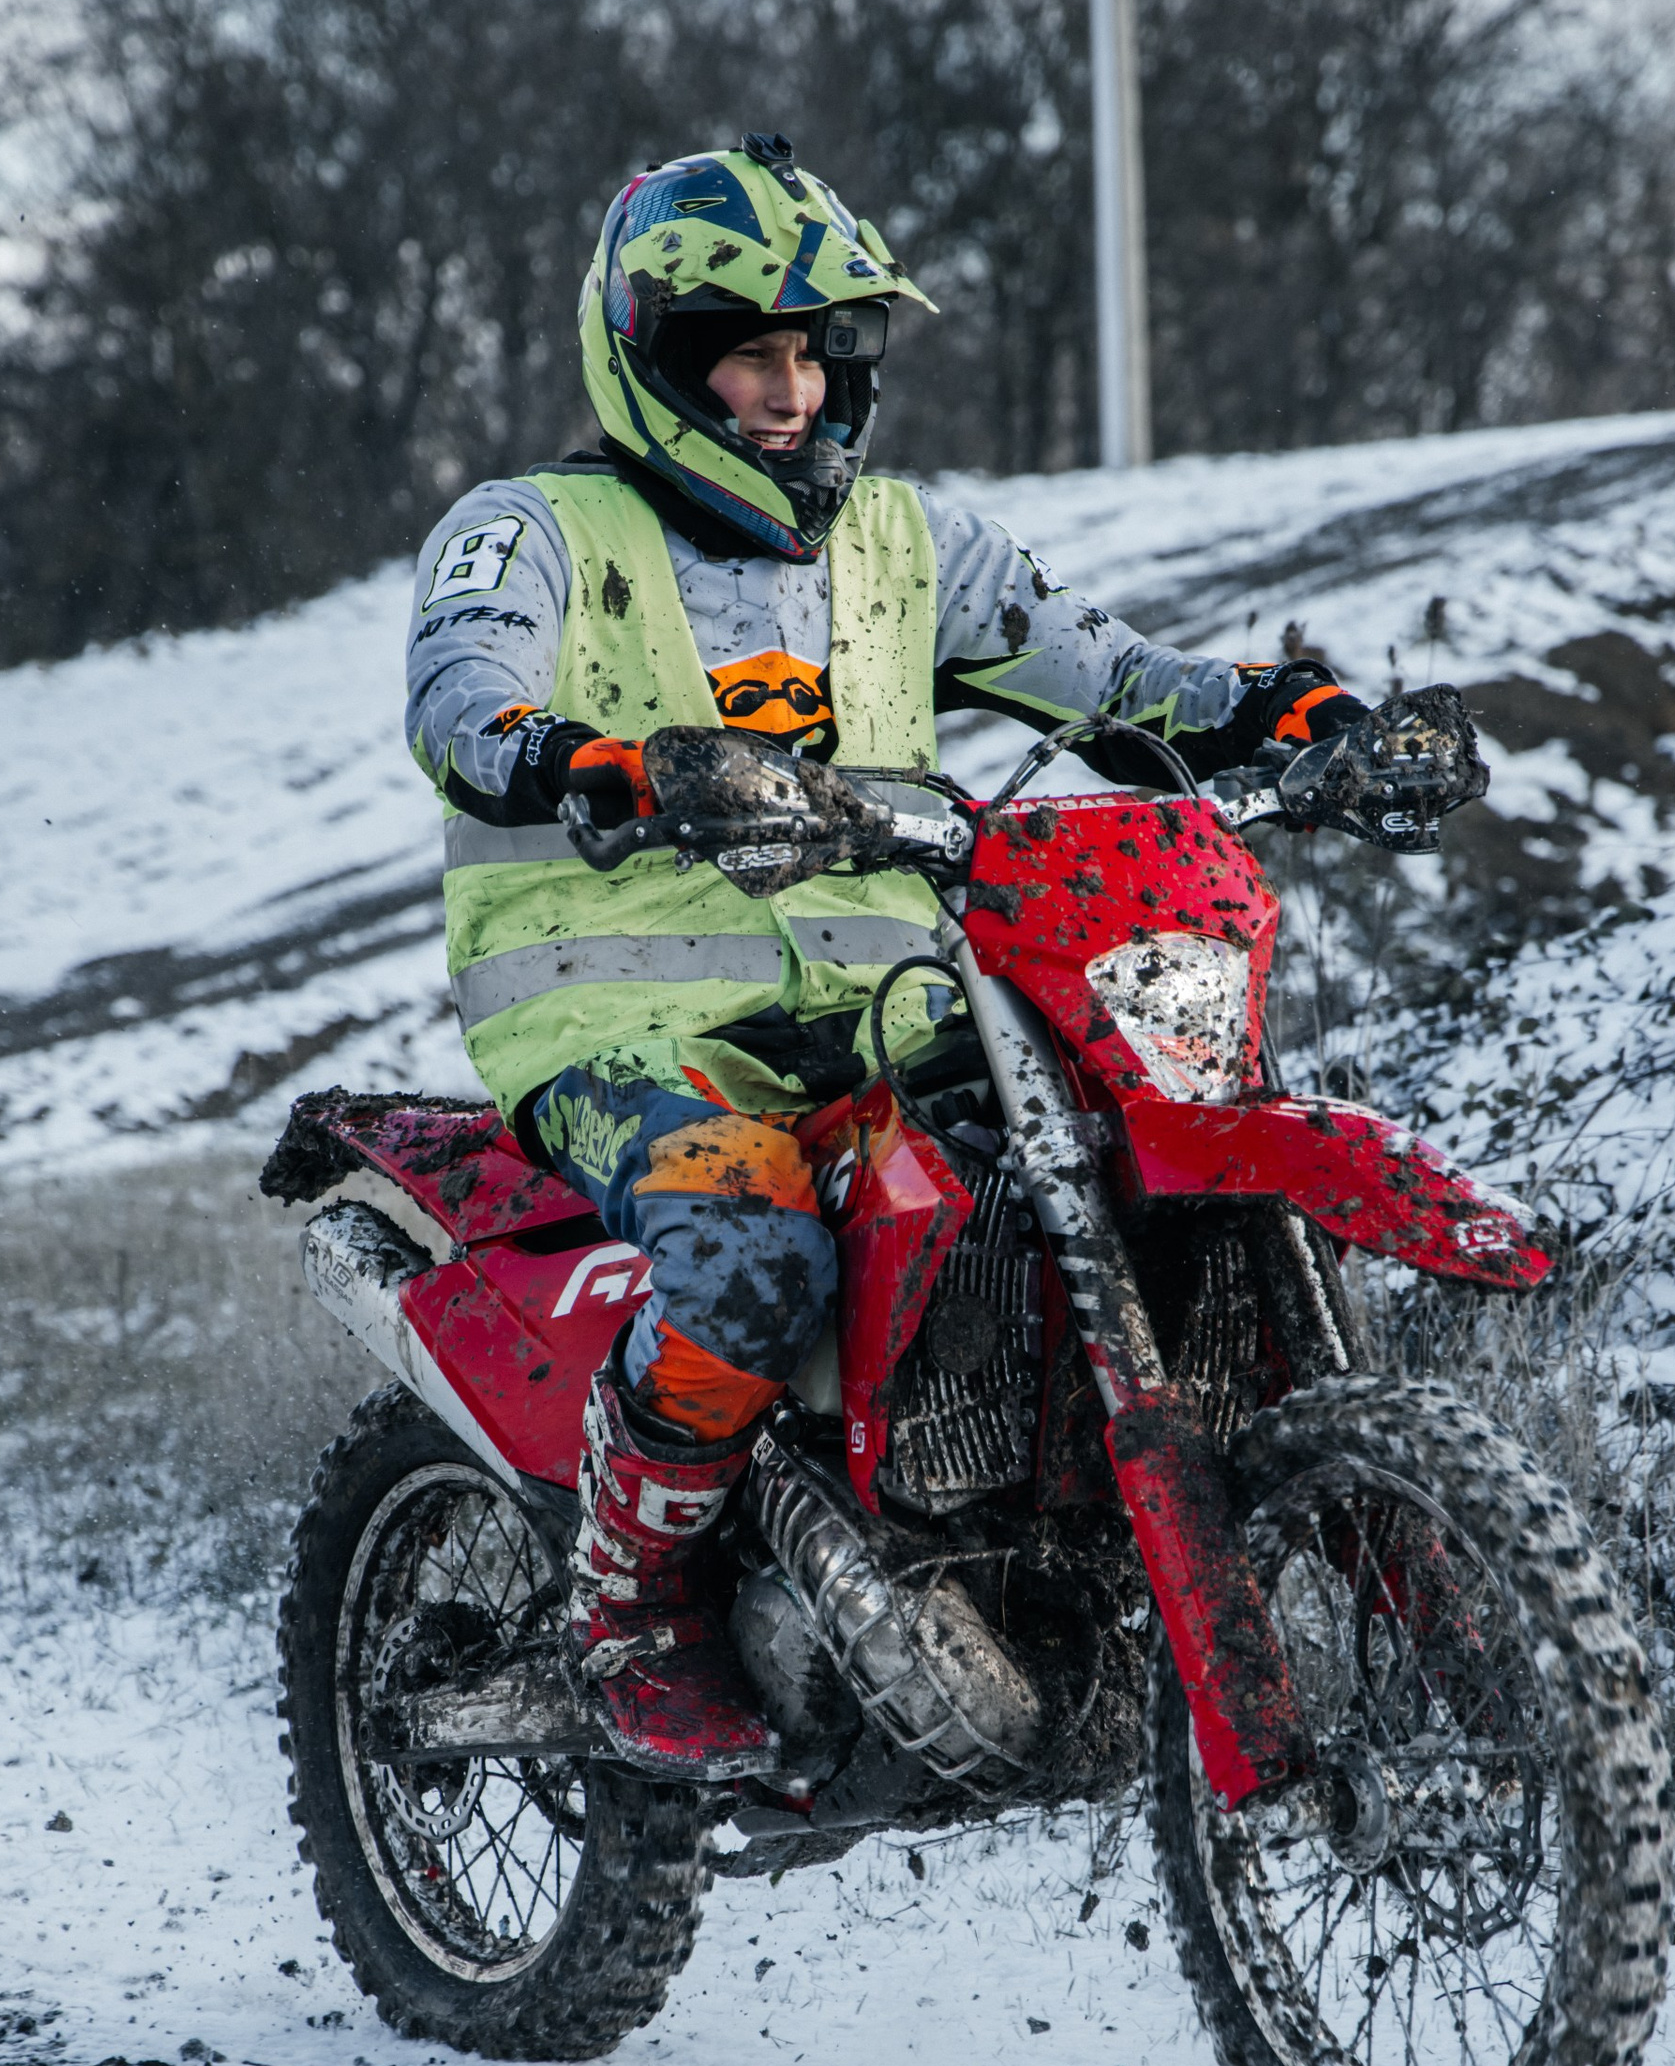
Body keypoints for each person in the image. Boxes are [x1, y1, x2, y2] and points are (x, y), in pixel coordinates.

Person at [404, 133, 1477, 1780]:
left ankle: (1023, 1541)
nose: (794, 388)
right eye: (752, 352)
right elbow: (462, 699)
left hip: (894, 1003)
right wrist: (604, 763)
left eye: (821, 350)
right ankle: (625, 1611)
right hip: (623, 1023)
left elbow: (1125, 682)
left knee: (1118, 1155)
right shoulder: (535, 529)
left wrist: (1298, 711)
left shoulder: (908, 548)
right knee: (751, 1244)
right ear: (657, 356)